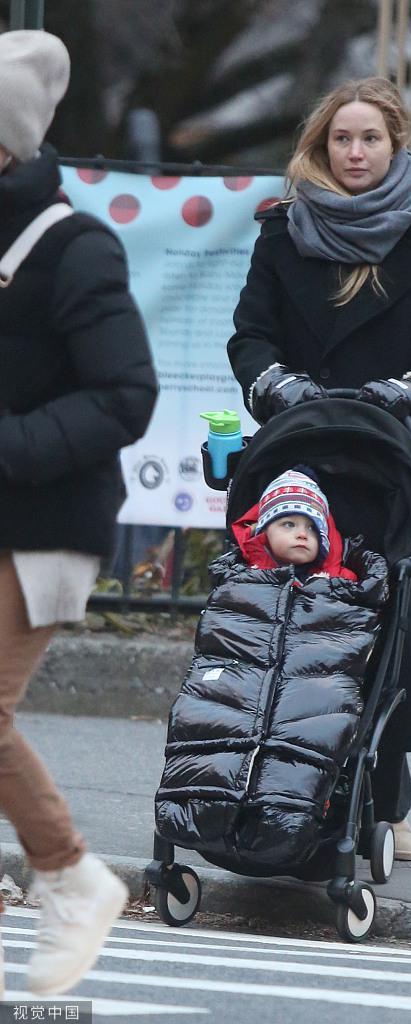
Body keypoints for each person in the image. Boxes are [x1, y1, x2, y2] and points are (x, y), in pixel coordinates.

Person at [227, 77, 411, 860]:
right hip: (304, 457)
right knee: (297, 617)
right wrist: (282, 389)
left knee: (389, 618)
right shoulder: (283, 230)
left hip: (401, 457)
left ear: (395, 144)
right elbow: (250, 335)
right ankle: (272, 782)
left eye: (369, 138)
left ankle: (385, 794)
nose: (355, 152)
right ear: (321, 146)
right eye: (342, 139)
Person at [0, 30, 158, 995]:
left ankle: (70, 875)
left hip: (39, 527)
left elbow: (124, 396)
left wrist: (9, 444)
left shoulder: (73, 246)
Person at [155, 465, 389, 867]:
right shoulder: (241, 583)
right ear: (263, 532)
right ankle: (204, 807)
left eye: (312, 528)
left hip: (308, 694)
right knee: (212, 723)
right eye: (288, 523)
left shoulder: (344, 589)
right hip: (238, 686)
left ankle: (283, 816)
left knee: (303, 738)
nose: (302, 533)